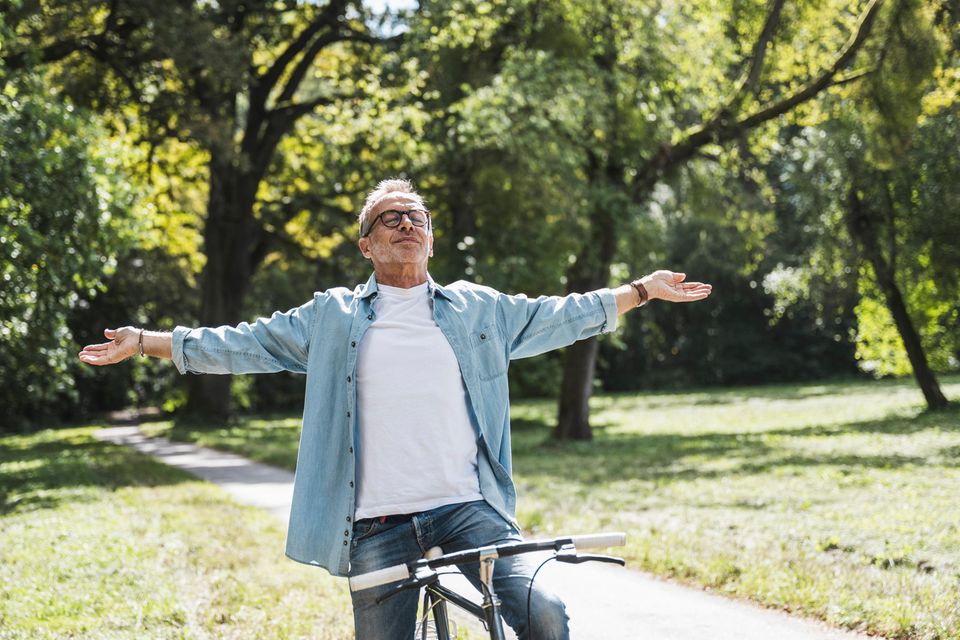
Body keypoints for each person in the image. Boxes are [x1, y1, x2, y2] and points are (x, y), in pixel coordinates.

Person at [79, 178, 712, 639]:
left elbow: (560, 316)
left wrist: (639, 292)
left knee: (544, 612)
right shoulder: (331, 316)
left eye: (416, 216)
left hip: (469, 510)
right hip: (377, 524)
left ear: (431, 240)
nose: (406, 223)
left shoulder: (478, 309)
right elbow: (242, 343)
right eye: (389, 218)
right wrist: (145, 342)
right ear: (366, 246)